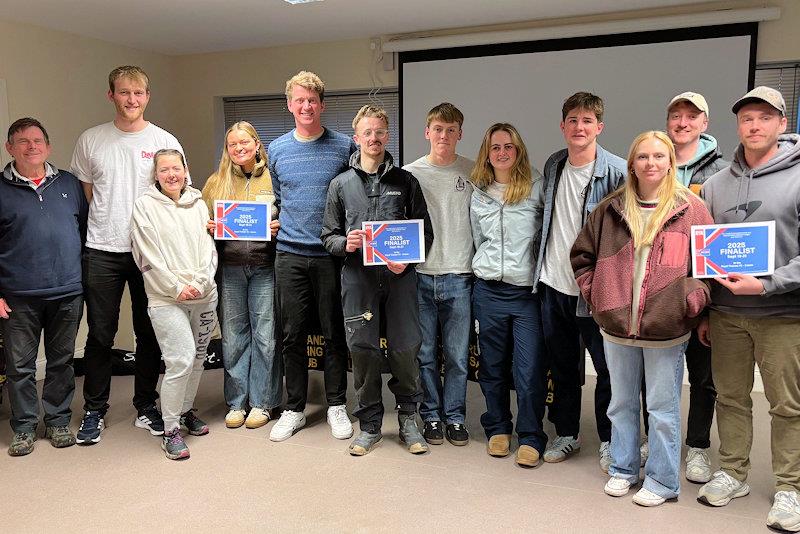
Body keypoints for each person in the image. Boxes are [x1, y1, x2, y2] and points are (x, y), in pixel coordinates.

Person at [571, 130, 713, 506]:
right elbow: (582, 257)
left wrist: (693, 298)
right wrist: (599, 297)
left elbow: (708, 265)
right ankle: (622, 468)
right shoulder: (611, 208)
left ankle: (664, 482)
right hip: (617, 329)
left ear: (671, 162)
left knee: (662, 410)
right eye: (643, 157)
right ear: (632, 163)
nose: (651, 163)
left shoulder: (690, 209)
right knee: (620, 404)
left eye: (659, 156)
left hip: (666, 330)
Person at [697, 86, 800, 532]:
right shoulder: (716, 184)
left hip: (783, 313)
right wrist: (704, 308)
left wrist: (766, 284)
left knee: (787, 406)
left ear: (781, 123)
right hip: (725, 317)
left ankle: (790, 490)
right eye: (745, 119)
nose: (753, 126)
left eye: (763, 117)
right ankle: (733, 472)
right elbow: (705, 255)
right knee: (731, 398)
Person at [70, 65, 187, 444]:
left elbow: (176, 191)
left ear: (147, 97)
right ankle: (94, 409)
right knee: (100, 335)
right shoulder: (92, 140)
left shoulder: (164, 139)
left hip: (149, 253)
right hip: (102, 249)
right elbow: (87, 195)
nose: (131, 100)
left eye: (138, 93)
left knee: (149, 331)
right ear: (111, 95)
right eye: (124, 92)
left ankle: (145, 405)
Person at [321, 104, 433, 456]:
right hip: (358, 281)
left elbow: (425, 233)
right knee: (364, 352)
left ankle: (409, 421)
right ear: (357, 138)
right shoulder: (340, 184)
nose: (374, 138)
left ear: (388, 135)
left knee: (404, 350)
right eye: (367, 132)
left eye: (380, 132)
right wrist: (345, 243)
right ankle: (369, 425)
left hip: (400, 281)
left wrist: (409, 261)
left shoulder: (406, 181)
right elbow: (328, 236)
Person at [638, 92, 729, 481]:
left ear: (705, 123)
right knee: (654, 376)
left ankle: (697, 447)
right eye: (675, 116)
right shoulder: (654, 166)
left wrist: (710, 303)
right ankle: (655, 441)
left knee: (702, 375)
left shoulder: (723, 171)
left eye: (692, 117)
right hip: (660, 295)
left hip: (703, 291)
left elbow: (724, 240)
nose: (682, 123)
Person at [534, 92, 626, 471]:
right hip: (554, 284)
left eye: (587, 121)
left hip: (595, 293)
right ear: (562, 126)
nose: (579, 127)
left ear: (599, 127)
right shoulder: (554, 164)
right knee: (563, 366)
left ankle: (608, 439)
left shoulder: (618, 171)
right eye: (572, 120)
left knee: (607, 369)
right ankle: (567, 433)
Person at [268, 71, 355, 442]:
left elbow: (356, 195)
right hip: (288, 255)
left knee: (335, 334)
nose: (306, 106)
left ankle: (336, 404)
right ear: (290, 105)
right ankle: (294, 409)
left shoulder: (344, 146)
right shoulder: (276, 149)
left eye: (312, 100)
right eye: (299, 100)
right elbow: (277, 197)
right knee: (292, 336)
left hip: (331, 256)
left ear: (322, 104)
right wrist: (270, 220)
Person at [0, 118, 88, 456]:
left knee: (61, 361)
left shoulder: (69, 184)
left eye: (37, 140)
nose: (31, 146)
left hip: (66, 291)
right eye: (22, 141)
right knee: (19, 366)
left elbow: (83, 234)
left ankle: (58, 420)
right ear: (10, 147)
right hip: (17, 297)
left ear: (48, 147)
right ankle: (23, 427)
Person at [131, 149, 217, 460]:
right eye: (164, 169)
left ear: (185, 169)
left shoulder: (198, 204)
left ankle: (184, 412)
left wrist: (202, 282)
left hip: (204, 294)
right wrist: (176, 287)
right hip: (167, 298)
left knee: (197, 359)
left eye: (176, 168)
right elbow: (146, 255)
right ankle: (170, 430)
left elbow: (209, 248)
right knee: (180, 359)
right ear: (155, 174)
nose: (171, 175)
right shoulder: (144, 207)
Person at [470, 123, 547, 468]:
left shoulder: (536, 187)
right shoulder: (478, 192)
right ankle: (498, 428)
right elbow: (477, 240)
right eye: (495, 147)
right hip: (488, 291)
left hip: (525, 293)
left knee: (529, 369)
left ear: (519, 151)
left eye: (509, 147)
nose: (502, 153)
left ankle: (531, 435)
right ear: (487, 153)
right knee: (492, 366)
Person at [402, 103, 474, 447]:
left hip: (460, 276)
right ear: (426, 132)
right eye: (438, 129)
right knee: (426, 354)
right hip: (421, 276)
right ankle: (431, 416)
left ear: (460, 133)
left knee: (459, 357)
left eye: (451, 129)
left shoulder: (476, 173)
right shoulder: (408, 174)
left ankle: (455, 417)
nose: (443, 135)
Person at [202, 122, 281, 430]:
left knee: (265, 337)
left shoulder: (273, 179)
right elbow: (201, 220)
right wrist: (209, 226)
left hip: (265, 266)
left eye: (244, 142)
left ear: (257, 144)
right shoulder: (216, 182)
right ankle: (236, 402)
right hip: (231, 267)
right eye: (232, 144)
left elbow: (290, 211)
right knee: (234, 338)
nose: (239, 148)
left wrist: (279, 223)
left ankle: (262, 403)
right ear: (227, 149)